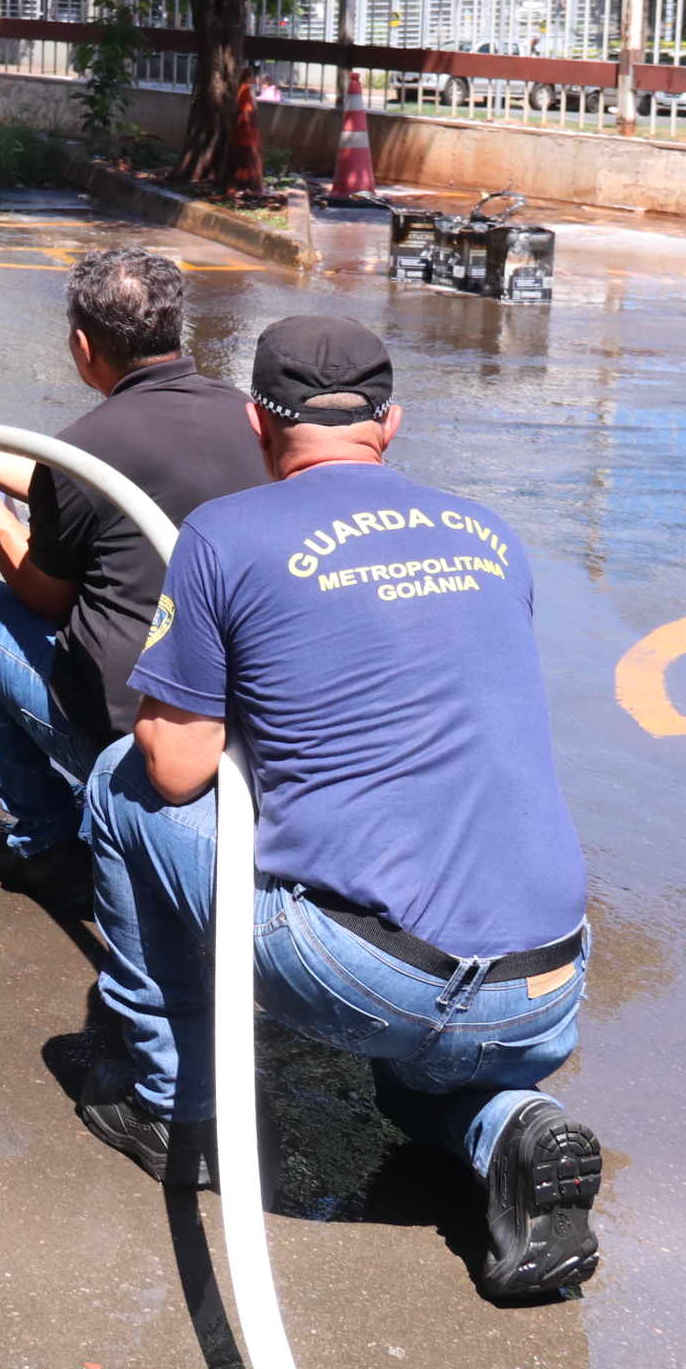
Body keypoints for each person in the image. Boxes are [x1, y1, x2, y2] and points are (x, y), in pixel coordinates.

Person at [77, 314, 604, 1301]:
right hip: (548, 977)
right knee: (412, 1088)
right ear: (389, 423)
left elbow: (176, 767)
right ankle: (516, 1129)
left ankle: (172, 1106)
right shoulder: (489, 531)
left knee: (119, 783)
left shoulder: (225, 533)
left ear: (257, 423)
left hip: (374, 976)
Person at [0, 249, 262, 906]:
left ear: (83, 345)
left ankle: (46, 842)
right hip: (238, 728)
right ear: (173, 326)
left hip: (136, 733)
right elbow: (83, 487)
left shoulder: (89, 444)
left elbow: (42, 595)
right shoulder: (246, 417)